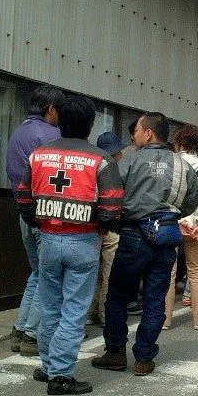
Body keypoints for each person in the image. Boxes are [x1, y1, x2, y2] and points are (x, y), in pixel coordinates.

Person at [17, 95, 123, 395]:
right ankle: (61, 376)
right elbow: (112, 205)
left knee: (50, 308)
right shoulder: (100, 159)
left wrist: (39, 222)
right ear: (91, 125)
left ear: (59, 121)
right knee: (74, 311)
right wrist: (101, 228)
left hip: (48, 239)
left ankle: (50, 366)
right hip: (84, 240)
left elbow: (23, 196)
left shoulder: (38, 155)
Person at [92, 112, 198, 375]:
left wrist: (113, 223)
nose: (134, 135)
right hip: (166, 235)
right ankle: (143, 357)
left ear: (148, 133)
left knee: (118, 296)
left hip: (132, 234)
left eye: (137, 131)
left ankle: (116, 353)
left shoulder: (128, 162)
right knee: (155, 298)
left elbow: (110, 196)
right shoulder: (182, 166)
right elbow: (192, 202)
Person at [6, 84, 65, 355]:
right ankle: (32, 335)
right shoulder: (53, 136)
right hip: (47, 215)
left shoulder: (18, 132)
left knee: (38, 273)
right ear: (51, 109)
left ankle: (20, 329)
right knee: (49, 277)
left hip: (23, 212)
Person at [163, 124, 198, 330]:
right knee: (196, 271)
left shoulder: (170, 163)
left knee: (168, 271)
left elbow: (164, 195)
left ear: (178, 143)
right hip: (195, 227)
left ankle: (164, 320)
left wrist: (176, 221)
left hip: (171, 224)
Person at [87, 131, 125, 326]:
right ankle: (104, 313)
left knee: (93, 271)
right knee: (109, 271)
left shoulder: (92, 164)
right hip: (109, 225)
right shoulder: (110, 167)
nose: (121, 154)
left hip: (91, 225)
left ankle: (92, 311)